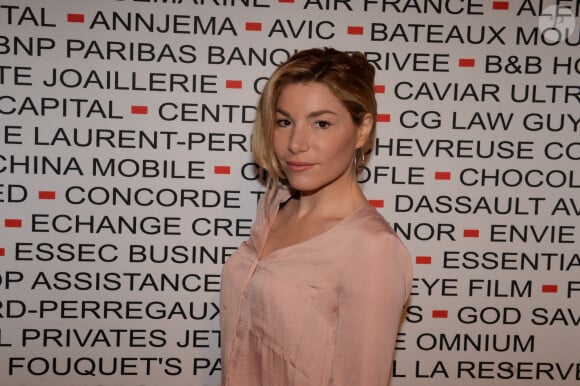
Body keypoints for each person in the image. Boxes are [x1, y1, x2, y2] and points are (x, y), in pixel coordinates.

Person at [220, 47, 413, 386]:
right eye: (284, 122)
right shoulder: (273, 207)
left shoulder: (372, 249)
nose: (296, 143)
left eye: (321, 123)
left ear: (363, 129)